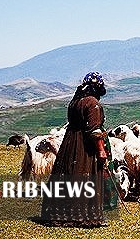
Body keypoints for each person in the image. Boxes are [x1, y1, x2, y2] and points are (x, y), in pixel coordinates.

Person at [41, 71, 111, 227]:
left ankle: (59, 213)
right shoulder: (92, 103)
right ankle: (83, 216)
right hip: (84, 147)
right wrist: (101, 150)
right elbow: (94, 130)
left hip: (70, 142)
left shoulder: (74, 102)